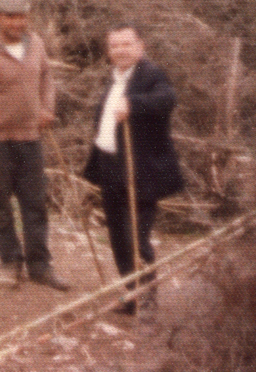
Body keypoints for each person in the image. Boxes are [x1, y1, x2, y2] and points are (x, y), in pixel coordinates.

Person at [0, 0, 70, 291]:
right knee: (1, 204)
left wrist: (47, 108)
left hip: (30, 138)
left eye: (22, 16)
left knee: (35, 203)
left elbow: (47, 78)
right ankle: (10, 264)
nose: (17, 22)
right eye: (10, 16)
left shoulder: (35, 45)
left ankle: (40, 266)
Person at [83, 23, 184, 315]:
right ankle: (132, 294)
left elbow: (167, 99)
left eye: (127, 44)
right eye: (115, 46)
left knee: (135, 236)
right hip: (111, 166)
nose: (120, 50)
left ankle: (148, 299)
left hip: (141, 171)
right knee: (116, 234)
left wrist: (134, 103)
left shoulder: (152, 75)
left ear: (141, 46)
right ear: (108, 50)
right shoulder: (114, 77)